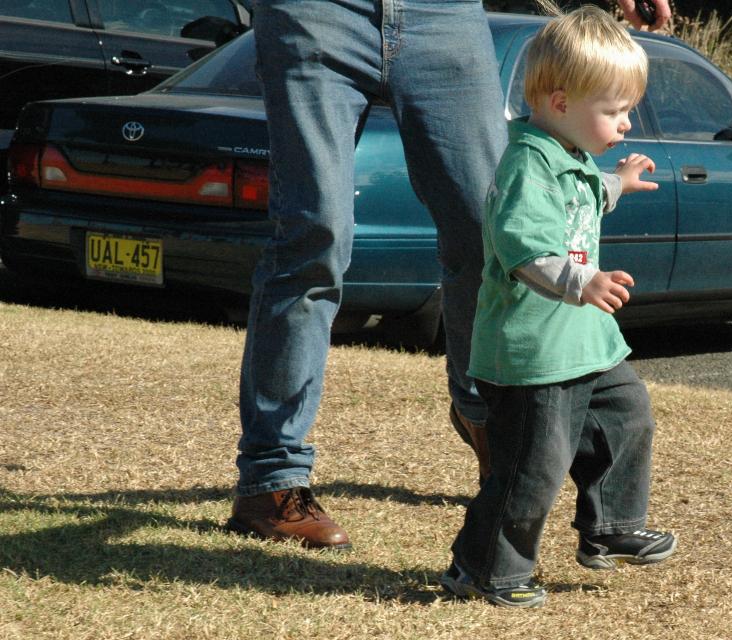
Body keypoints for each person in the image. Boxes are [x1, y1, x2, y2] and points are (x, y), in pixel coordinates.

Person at [225, 0, 671, 549]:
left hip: (442, 15)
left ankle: (486, 414)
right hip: (317, 12)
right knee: (313, 236)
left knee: (490, 233)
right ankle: (273, 478)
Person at [440, 4, 675, 608]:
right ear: (562, 102)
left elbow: (586, 196)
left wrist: (618, 181)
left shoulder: (569, 156)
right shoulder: (527, 164)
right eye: (613, 112)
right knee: (531, 469)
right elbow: (524, 248)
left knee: (628, 414)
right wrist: (582, 283)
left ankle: (611, 525)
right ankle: (483, 567)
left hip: (583, 344)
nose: (624, 124)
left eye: (626, 111)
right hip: (533, 353)